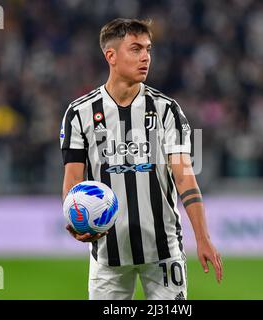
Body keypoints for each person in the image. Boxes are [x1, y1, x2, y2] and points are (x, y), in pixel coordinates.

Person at [60, 18, 222, 300]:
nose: (146, 56)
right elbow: (73, 181)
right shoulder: (79, 113)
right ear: (110, 56)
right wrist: (75, 220)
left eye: (148, 48)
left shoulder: (167, 110)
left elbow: (185, 177)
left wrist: (203, 237)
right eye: (135, 49)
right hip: (107, 256)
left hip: (163, 253)